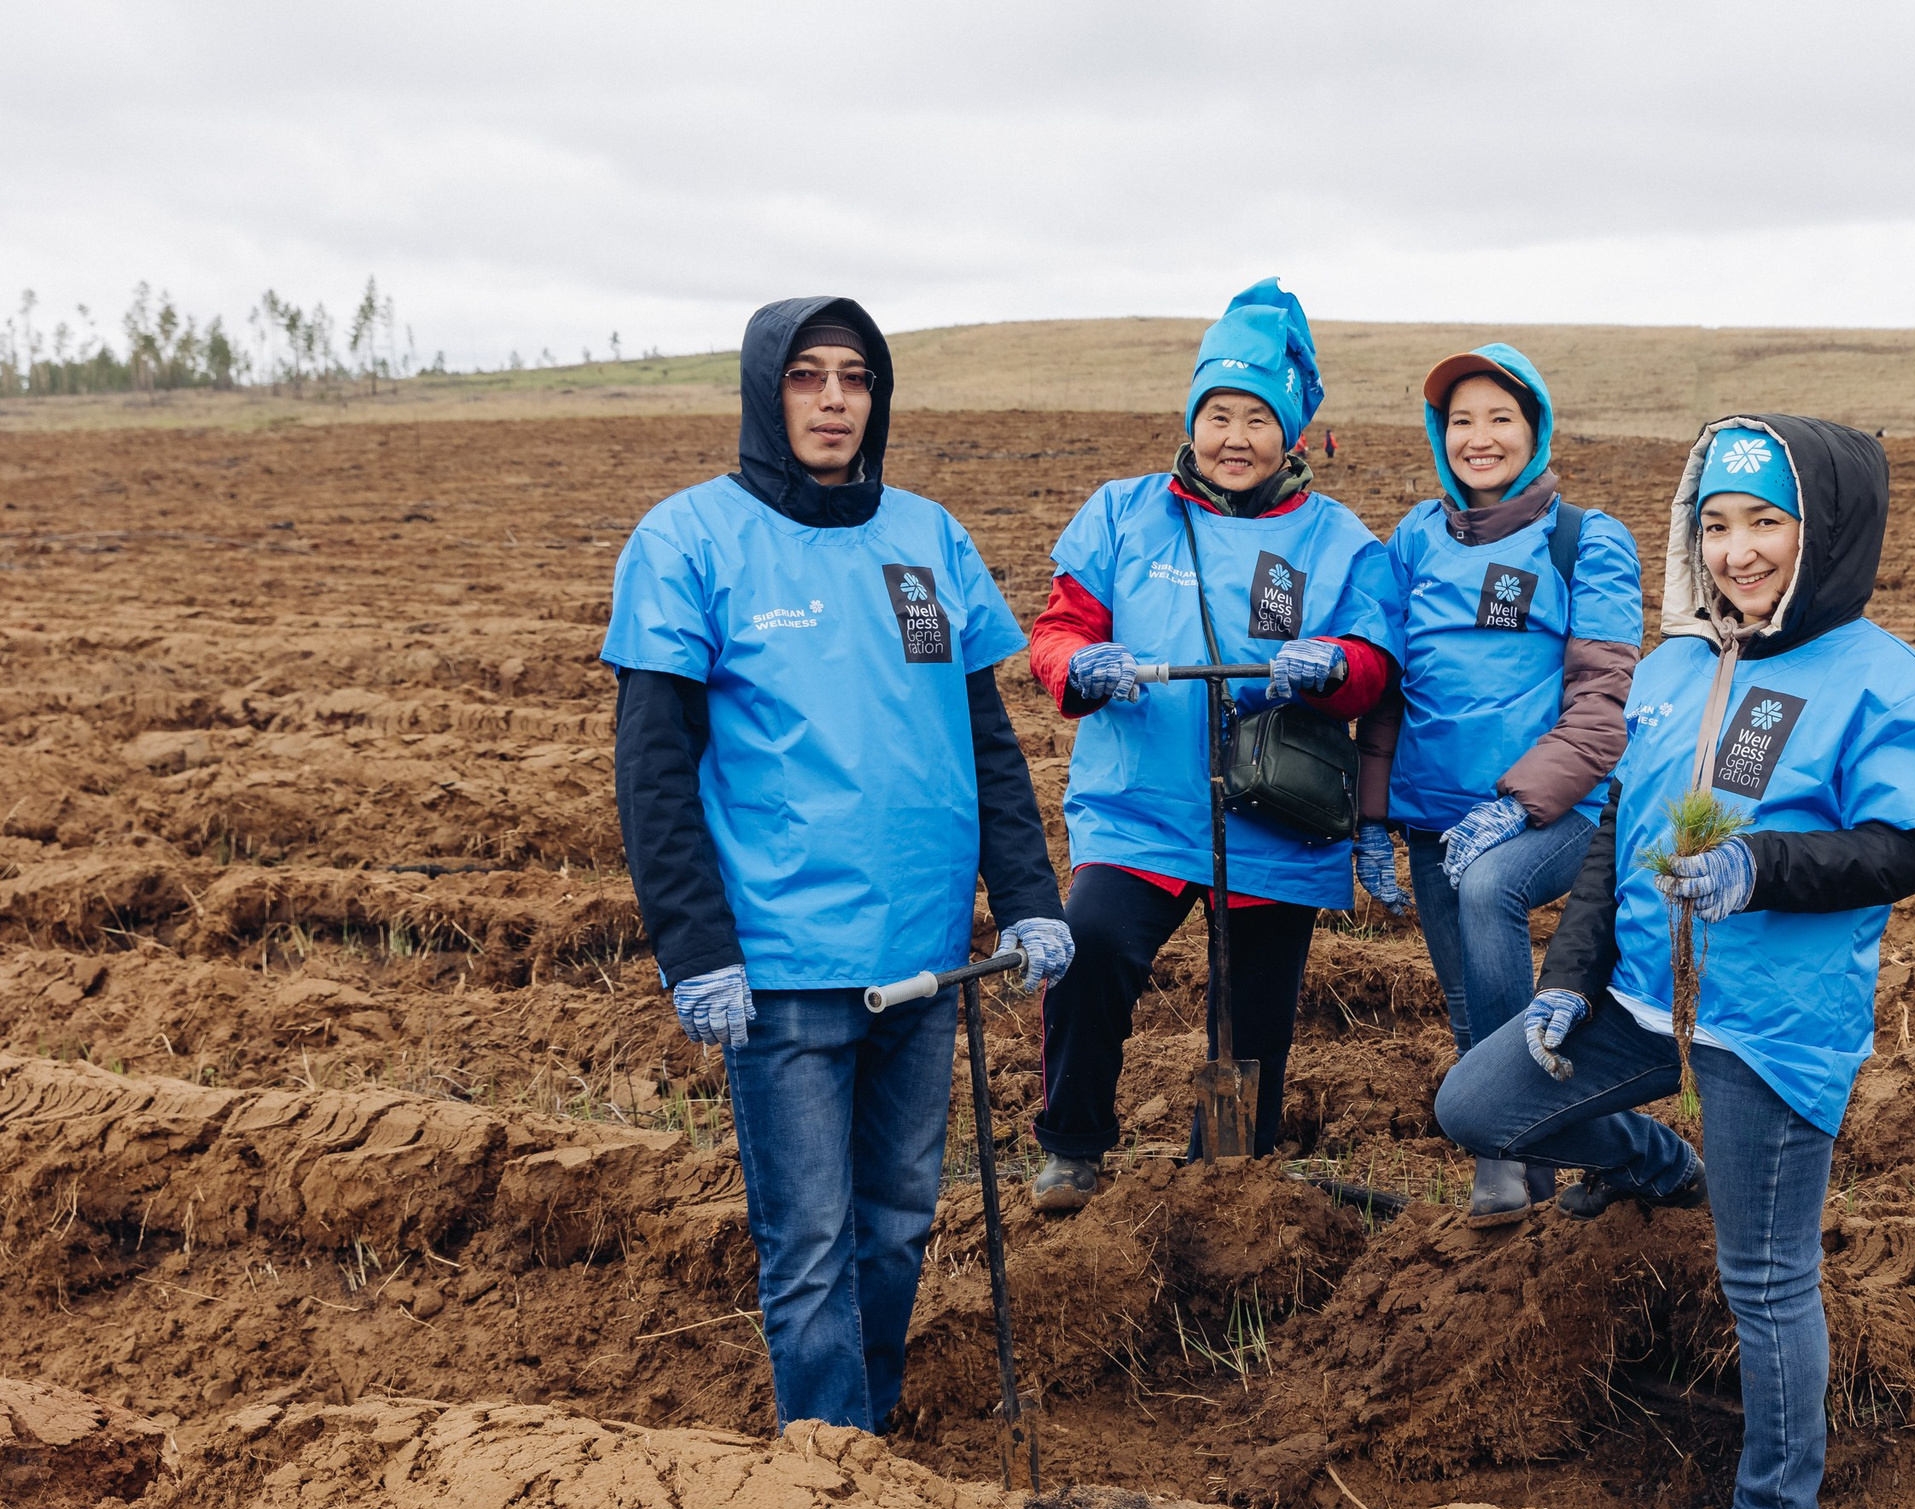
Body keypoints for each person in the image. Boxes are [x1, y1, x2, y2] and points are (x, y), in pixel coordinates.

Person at [1433, 415, 1915, 1509]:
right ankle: (1658, 1164)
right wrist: (1568, 978)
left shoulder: (1881, 677)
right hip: (1635, 997)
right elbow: (1616, 827)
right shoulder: (1675, 664)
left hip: (1766, 1022)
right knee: (1477, 1105)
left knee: (1764, 1278)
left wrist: (1759, 865)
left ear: (1821, 535)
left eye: (1765, 523)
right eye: (1716, 525)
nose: (1737, 551)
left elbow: (1910, 844)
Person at [602, 295, 1073, 1434]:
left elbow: (986, 743)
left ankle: (867, 1427)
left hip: (923, 956)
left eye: (854, 378)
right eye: (807, 376)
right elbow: (653, 773)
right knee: (807, 1243)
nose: (831, 400)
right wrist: (697, 951)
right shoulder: (688, 541)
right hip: (783, 966)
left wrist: (1026, 898)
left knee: (902, 1217)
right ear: (768, 393)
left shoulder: (926, 536)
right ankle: (828, 1464)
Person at [1024, 279, 1400, 1211]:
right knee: (1091, 947)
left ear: (1292, 432)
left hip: (1272, 819)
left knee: (1252, 1015)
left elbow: (1375, 665)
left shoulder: (1338, 540)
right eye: (1217, 414)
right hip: (1140, 807)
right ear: (1192, 420)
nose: (1235, 437)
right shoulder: (1125, 512)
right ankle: (1073, 1144)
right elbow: (1057, 631)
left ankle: (1225, 1179)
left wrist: (1334, 665)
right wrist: (1084, 665)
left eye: (1257, 418)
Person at [1352, 345, 1642, 1227]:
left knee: (1491, 887)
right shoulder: (1413, 539)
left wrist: (1516, 804)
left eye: (1500, 419)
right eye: (1461, 421)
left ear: (1535, 428)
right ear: (1442, 437)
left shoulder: (1584, 538)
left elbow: (1602, 704)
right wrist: (1373, 819)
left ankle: (1502, 1146)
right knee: (1470, 997)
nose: (1481, 438)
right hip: (1437, 817)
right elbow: (1391, 683)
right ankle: (1536, 1165)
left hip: (1559, 812)